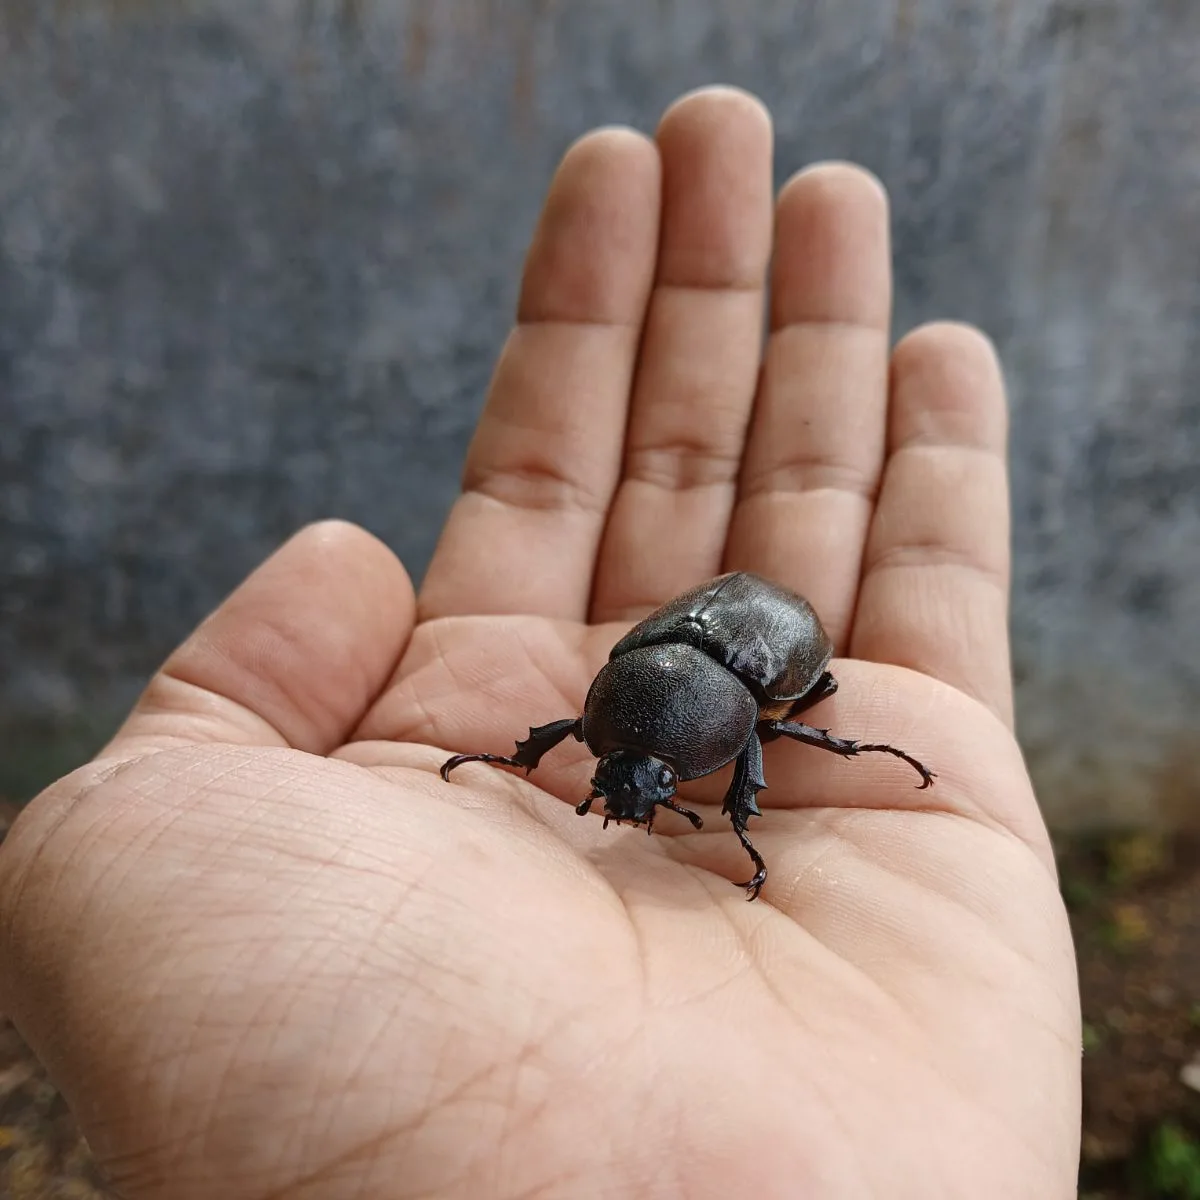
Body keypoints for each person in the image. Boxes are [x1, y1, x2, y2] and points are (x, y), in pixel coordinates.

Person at [0, 87, 1081, 1198]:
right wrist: (545, 761)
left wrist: (750, 792)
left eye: (632, 770)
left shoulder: (712, 713)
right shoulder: (629, 701)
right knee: (736, 731)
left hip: (747, 653)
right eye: (630, 765)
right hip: (702, 657)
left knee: (806, 734)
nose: (620, 781)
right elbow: (610, 725)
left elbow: (710, 733)